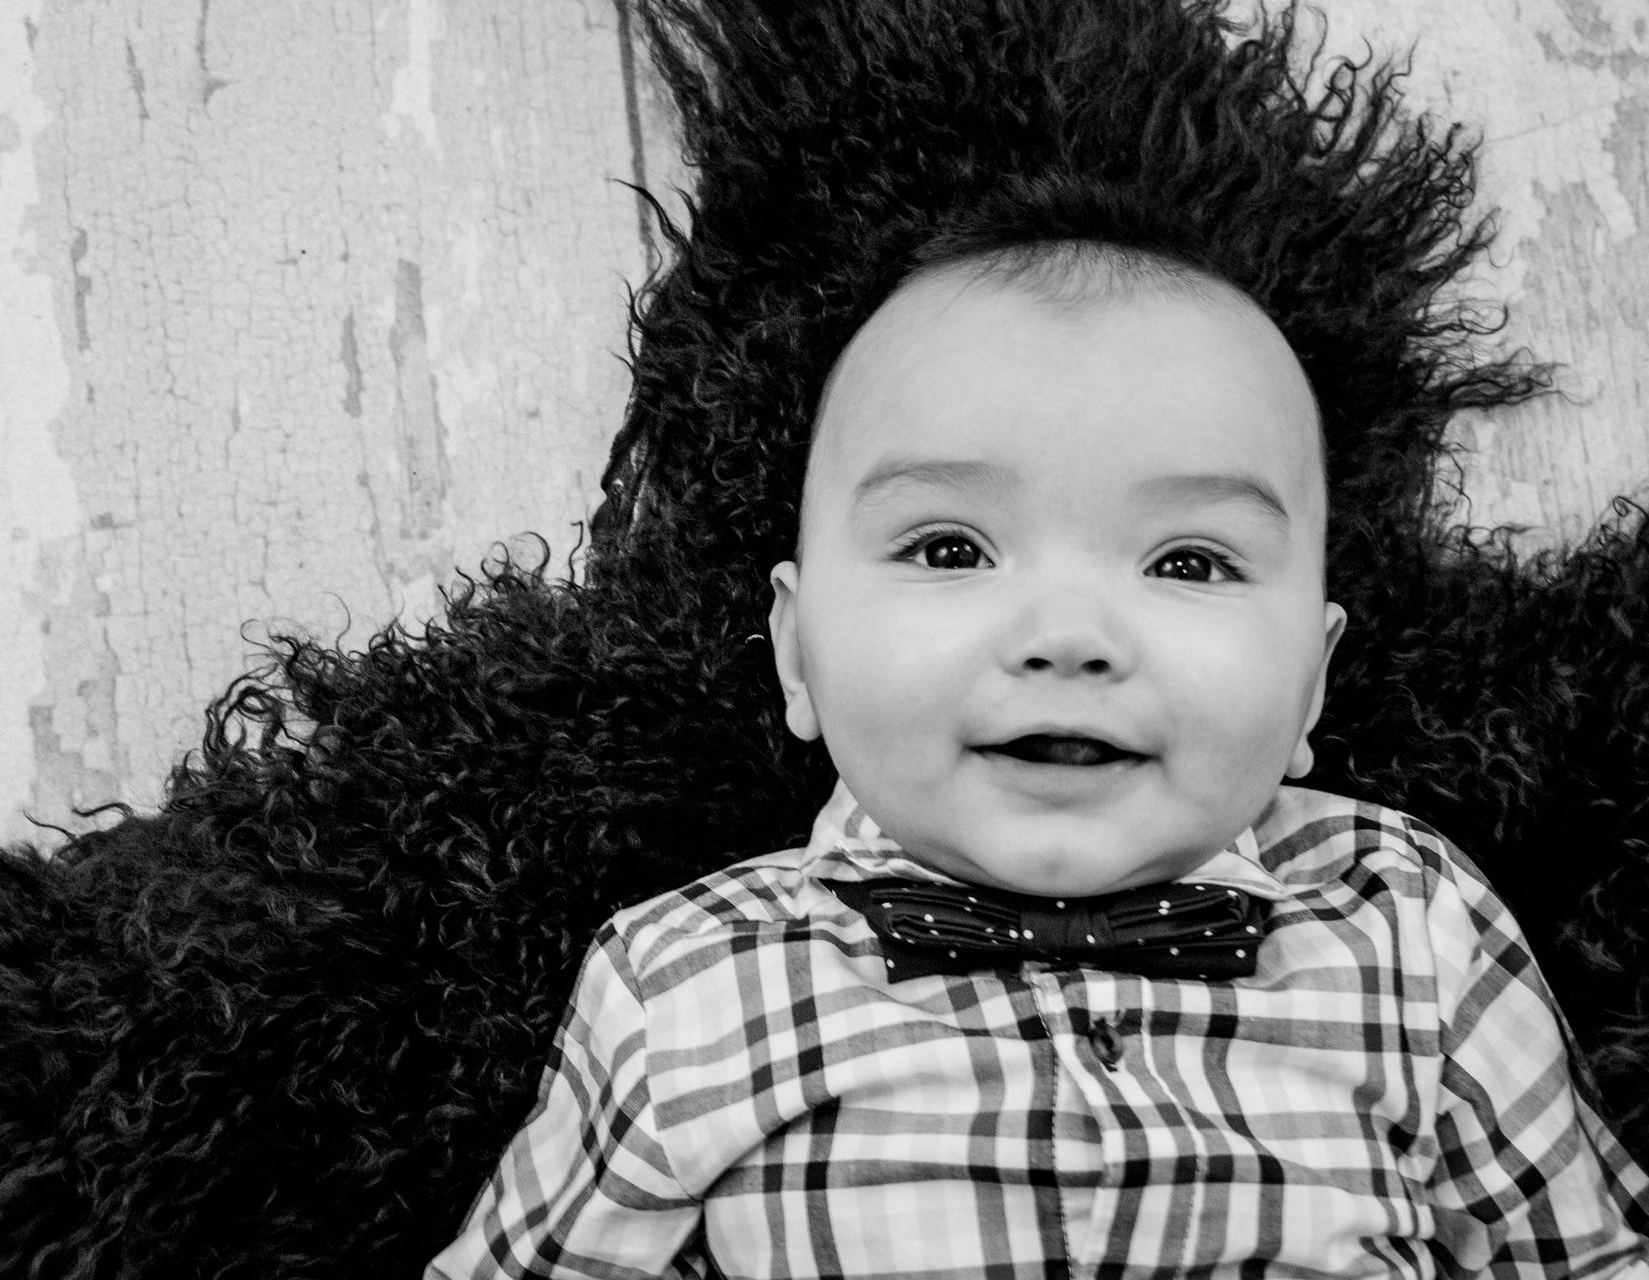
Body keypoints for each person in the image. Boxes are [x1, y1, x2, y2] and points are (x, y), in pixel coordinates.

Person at [424, 239, 1649, 1276]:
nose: (1067, 636)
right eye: (950, 549)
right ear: (798, 654)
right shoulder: (683, 983)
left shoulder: (1408, 917)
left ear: (1312, 682)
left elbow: (1586, 1256)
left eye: (1189, 562)